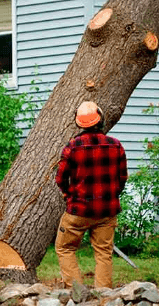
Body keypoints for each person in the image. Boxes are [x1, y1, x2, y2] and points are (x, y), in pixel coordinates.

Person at [55, 101, 128, 289]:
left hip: (78, 211)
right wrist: (111, 196)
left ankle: (77, 292)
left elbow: (60, 179)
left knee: (64, 248)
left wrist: (68, 195)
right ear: (101, 119)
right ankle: (104, 296)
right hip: (107, 212)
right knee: (104, 253)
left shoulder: (72, 147)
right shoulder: (116, 145)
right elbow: (122, 178)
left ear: (79, 123)